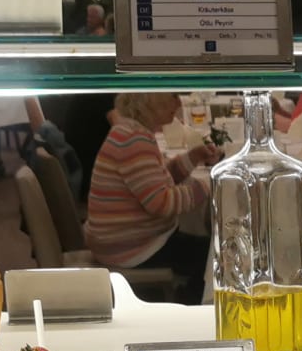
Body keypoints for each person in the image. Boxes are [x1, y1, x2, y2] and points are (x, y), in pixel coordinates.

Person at [83, 92, 214, 299]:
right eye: (172, 95)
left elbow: (156, 182)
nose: (179, 102)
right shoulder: (133, 140)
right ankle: (187, 304)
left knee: (207, 249)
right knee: (214, 256)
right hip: (132, 248)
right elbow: (161, 203)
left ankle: (188, 298)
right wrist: (208, 185)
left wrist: (193, 157)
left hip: (120, 242)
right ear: (152, 101)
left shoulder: (128, 132)